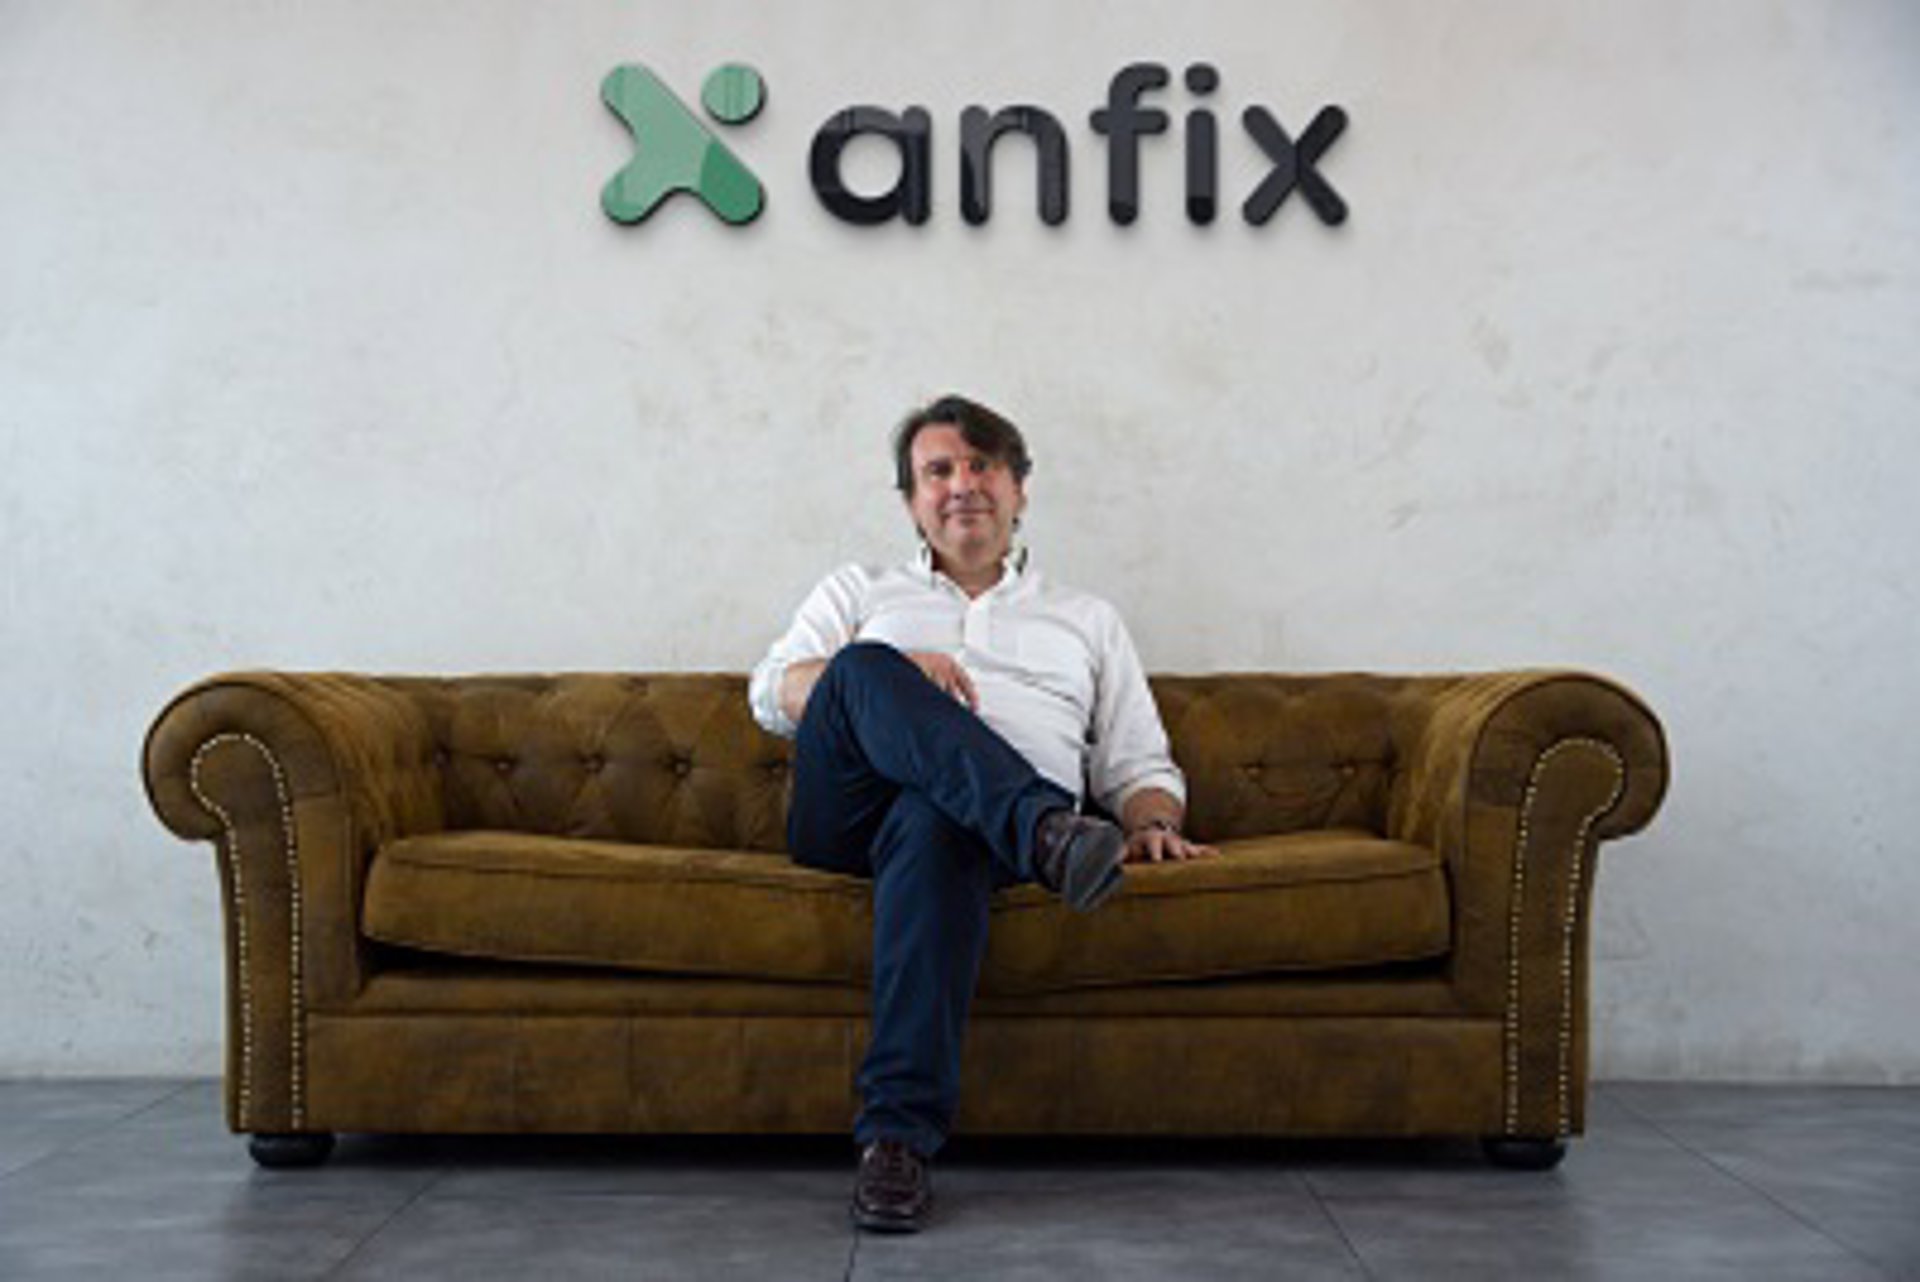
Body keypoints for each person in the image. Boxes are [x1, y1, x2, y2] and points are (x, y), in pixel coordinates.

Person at [747, 394, 1216, 1232]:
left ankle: (895, 1143)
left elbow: (1136, 759)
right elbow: (769, 694)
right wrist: (893, 675)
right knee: (861, 664)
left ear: (1019, 488)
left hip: (958, 842)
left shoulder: (1087, 619)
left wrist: (1151, 821)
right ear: (911, 501)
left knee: (937, 823)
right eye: (939, 470)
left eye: (982, 465)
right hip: (852, 817)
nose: (962, 484)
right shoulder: (861, 588)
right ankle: (1044, 832)